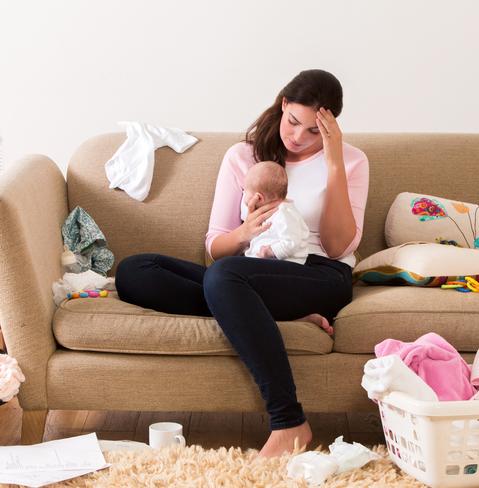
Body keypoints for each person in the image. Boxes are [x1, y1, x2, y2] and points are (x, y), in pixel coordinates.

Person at [115, 69, 370, 457]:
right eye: (293, 122)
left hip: (321, 275)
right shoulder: (243, 157)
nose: (298, 137)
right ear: (283, 105)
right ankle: (265, 312)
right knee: (136, 271)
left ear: (332, 128)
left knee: (224, 278)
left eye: (314, 132)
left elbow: (338, 248)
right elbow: (216, 247)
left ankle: (289, 422)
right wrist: (245, 232)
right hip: (250, 271)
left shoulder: (352, 162)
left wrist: (333, 161)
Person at [242, 160, 333, 335]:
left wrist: (271, 251)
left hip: (285, 267)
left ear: (258, 197)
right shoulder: (270, 212)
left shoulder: (285, 213)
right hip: (263, 265)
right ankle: (293, 321)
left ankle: (289, 320)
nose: (244, 194)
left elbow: (292, 242)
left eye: (245, 190)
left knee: (248, 293)